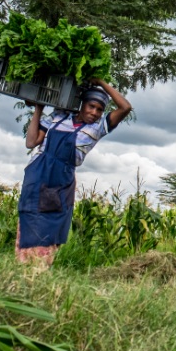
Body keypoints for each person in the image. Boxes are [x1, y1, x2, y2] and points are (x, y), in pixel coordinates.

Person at [16, 78, 132, 269]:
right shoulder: (59, 117)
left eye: (99, 110)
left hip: (61, 182)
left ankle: (40, 270)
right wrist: (38, 109)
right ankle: (23, 268)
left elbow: (125, 107)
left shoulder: (98, 128)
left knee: (51, 224)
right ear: (82, 105)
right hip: (37, 175)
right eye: (91, 106)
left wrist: (100, 82)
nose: (94, 113)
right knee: (30, 217)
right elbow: (31, 142)